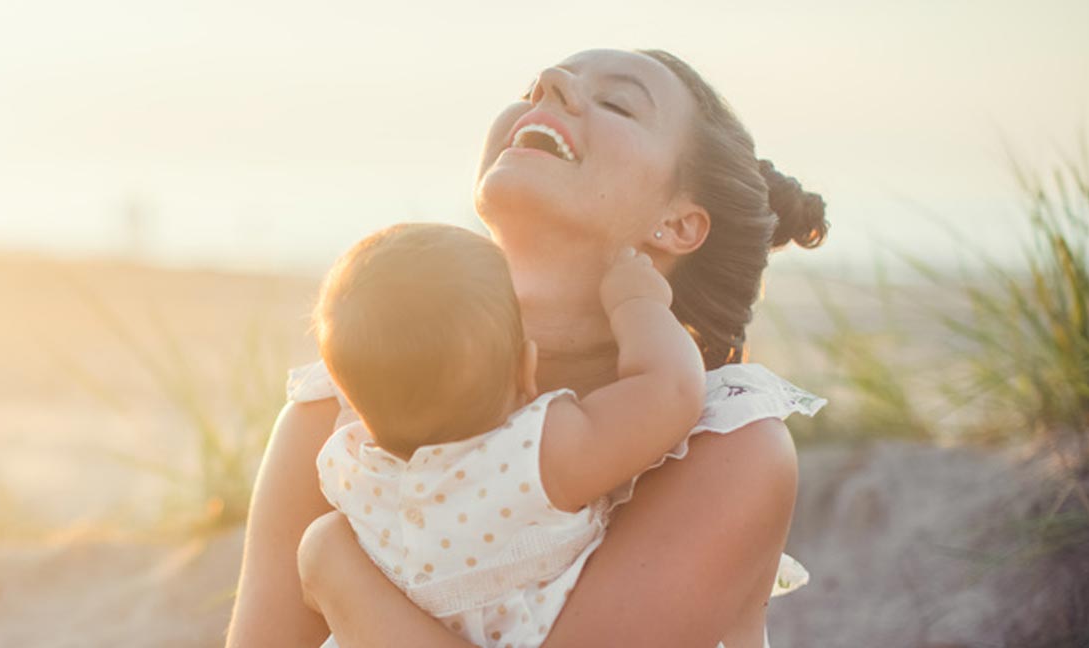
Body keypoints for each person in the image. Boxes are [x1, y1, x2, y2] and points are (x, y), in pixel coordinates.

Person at [228, 48, 829, 648]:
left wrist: (336, 571)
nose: (549, 82)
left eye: (618, 103)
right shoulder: (344, 407)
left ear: (678, 224)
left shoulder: (727, 445)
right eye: (533, 88)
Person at [311, 222, 704, 647]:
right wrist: (638, 302)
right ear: (526, 368)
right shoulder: (536, 456)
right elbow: (672, 390)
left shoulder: (350, 470)